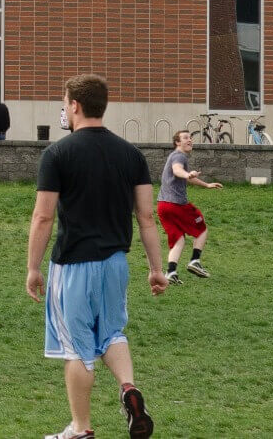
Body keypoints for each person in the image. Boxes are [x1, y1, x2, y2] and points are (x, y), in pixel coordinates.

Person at [24, 74, 167, 439]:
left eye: (65, 102)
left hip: (73, 266)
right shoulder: (132, 155)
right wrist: (155, 269)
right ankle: (128, 388)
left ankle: (81, 428)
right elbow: (146, 216)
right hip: (116, 263)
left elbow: (43, 216)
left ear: (74, 105)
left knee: (77, 348)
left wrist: (33, 267)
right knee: (112, 333)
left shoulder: (57, 153)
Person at [159, 131, 225, 283]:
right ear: (177, 142)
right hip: (176, 204)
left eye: (190, 138)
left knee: (178, 239)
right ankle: (195, 261)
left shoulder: (173, 156)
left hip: (163, 206)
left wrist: (206, 184)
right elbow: (177, 170)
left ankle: (171, 272)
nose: (190, 140)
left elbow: (186, 177)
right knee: (201, 229)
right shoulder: (179, 156)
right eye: (186, 138)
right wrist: (186, 174)